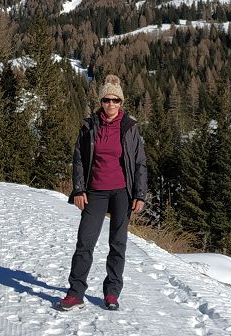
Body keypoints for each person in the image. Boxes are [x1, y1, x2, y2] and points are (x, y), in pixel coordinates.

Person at [57, 74, 147, 312]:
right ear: (101, 101)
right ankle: (75, 293)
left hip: (122, 193)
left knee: (118, 244)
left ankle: (112, 293)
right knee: (85, 242)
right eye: (106, 100)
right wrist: (78, 189)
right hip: (94, 191)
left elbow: (139, 163)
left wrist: (140, 194)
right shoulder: (89, 126)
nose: (111, 104)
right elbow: (78, 160)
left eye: (115, 100)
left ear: (121, 103)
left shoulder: (129, 127)